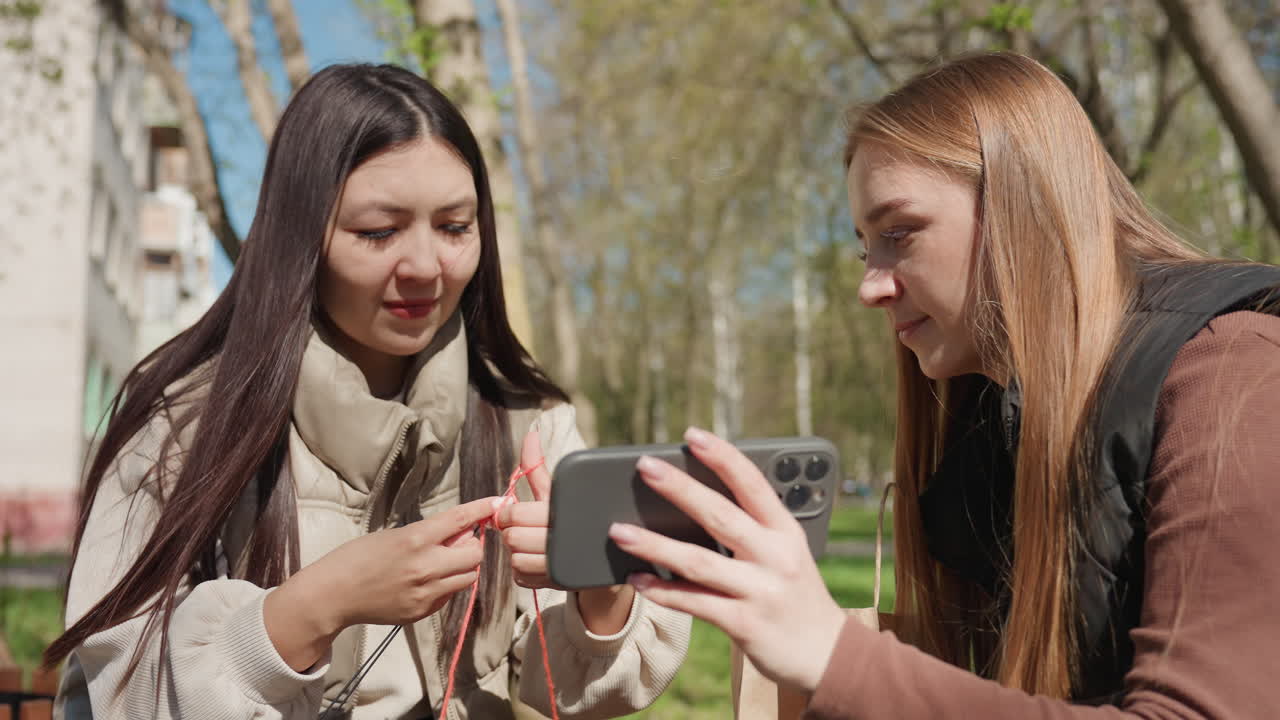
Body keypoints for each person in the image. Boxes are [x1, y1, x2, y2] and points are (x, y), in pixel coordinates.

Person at [607, 51, 1280, 717]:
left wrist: (830, 655)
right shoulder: (985, 422)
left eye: (901, 233)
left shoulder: (1231, 376)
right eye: (864, 246)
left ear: (1028, 206)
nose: (869, 286)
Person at [44, 63, 689, 720]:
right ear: (301, 238)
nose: (425, 266)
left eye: (454, 226)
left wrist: (600, 590)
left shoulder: (529, 425)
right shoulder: (183, 424)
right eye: (378, 232)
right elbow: (108, 688)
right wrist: (316, 607)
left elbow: (571, 684)